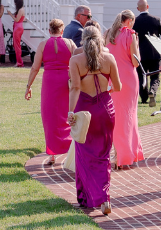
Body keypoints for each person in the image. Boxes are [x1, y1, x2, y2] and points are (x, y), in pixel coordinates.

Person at [66, 26, 119, 216]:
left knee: (85, 154)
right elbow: (118, 86)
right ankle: (104, 198)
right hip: (106, 110)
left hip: (84, 110)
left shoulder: (76, 60)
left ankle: (87, 198)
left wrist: (70, 112)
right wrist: (104, 92)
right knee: (104, 155)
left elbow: (75, 88)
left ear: (83, 39)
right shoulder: (109, 58)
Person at [24, 18, 76, 164]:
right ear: (62, 30)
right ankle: (70, 152)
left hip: (49, 82)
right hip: (66, 82)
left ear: (49, 30)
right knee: (67, 114)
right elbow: (76, 63)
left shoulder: (42, 45)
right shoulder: (70, 43)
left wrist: (28, 86)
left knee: (50, 117)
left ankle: (52, 155)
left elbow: (35, 68)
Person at [104, 10, 144, 169]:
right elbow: (136, 61)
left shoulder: (108, 33)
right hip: (128, 79)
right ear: (130, 21)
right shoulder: (130, 34)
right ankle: (125, 155)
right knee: (128, 117)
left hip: (111, 78)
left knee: (115, 117)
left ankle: (116, 153)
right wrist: (137, 45)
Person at [133, 0, 161, 105]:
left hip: (140, 53)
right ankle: (153, 91)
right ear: (148, 6)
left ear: (138, 9)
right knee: (155, 76)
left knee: (141, 76)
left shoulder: (135, 21)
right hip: (154, 53)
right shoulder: (156, 20)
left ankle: (144, 98)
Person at [9, 0, 27, 67]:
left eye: (15, 3)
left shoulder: (21, 10)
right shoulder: (21, 10)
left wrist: (10, 14)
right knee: (16, 45)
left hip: (18, 28)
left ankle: (19, 62)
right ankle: (19, 61)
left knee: (17, 46)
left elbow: (16, 20)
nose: (15, 4)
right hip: (18, 27)